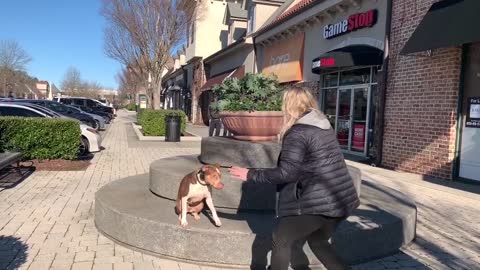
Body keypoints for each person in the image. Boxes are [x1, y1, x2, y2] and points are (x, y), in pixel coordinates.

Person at [228, 87, 360, 270]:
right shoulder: (322, 124)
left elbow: (287, 173)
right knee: (318, 241)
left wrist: (250, 174)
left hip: (319, 203)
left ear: (288, 106)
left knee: (280, 239)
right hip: (342, 199)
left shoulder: (298, 133)